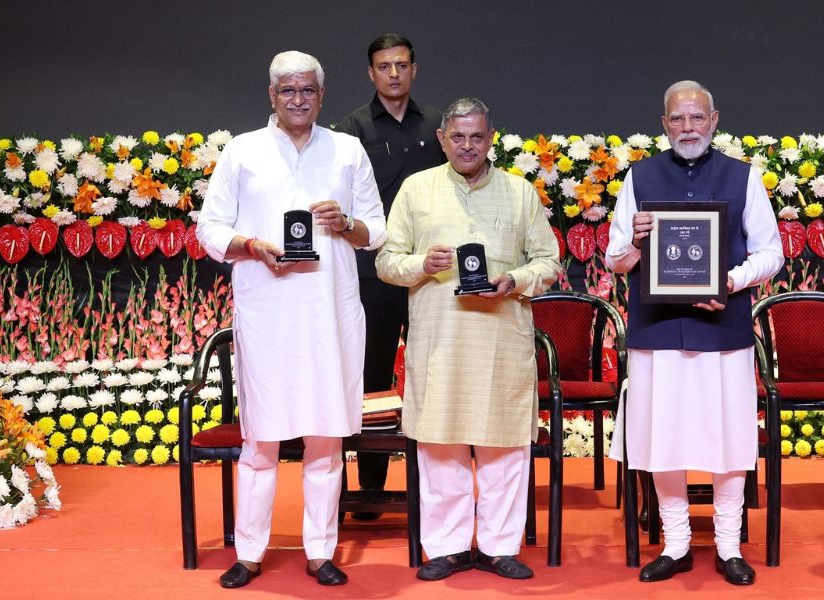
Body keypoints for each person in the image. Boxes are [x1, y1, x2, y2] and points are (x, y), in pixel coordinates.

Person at [196, 50, 386, 589]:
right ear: (271, 96)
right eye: (287, 91)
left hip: (331, 315)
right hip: (268, 314)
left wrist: (345, 223)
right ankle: (250, 551)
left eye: (307, 91)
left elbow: (379, 230)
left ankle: (321, 551)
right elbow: (210, 230)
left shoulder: (347, 151)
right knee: (260, 441)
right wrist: (253, 245)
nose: (298, 100)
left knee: (326, 438)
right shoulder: (242, 151)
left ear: (322, 96)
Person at [605, 80, 783, 586]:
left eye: (697, 118)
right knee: (664, 438)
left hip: (722, 329)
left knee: (728, 438)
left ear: (714, 120)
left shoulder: (743, 178)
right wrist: (636, 243)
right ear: (663, 124)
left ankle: (728, 545)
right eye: (677, 119)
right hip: (657, 331)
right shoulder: (639, 178)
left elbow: (772, 252)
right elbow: (615, 260)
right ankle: (677, 543)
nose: (688, 128)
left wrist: (730, 280)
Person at [375, 97, 561, 581]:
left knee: (503, 447)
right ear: (442, 140)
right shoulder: (417, 190)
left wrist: (515, 281)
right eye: (457, 137)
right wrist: (421, 264)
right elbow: (386, 263)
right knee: (440, 444)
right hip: (440, 342)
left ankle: (500, 547)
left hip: (501, 340)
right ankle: (448, 547)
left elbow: (550, 262)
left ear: (491, 138)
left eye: (477, 137)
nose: (467, 146)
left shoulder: (520, 192)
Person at [335, 33, 446, 520]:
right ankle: (372, 490)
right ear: (371, 73)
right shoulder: (352, 128)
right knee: (374, 375)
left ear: (414, 69)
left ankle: (439, 485)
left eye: (402, 64)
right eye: (384, 66)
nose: (394, 73)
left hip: (431, 271)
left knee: (432, 373)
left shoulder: (440, 125)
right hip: (373, 271)